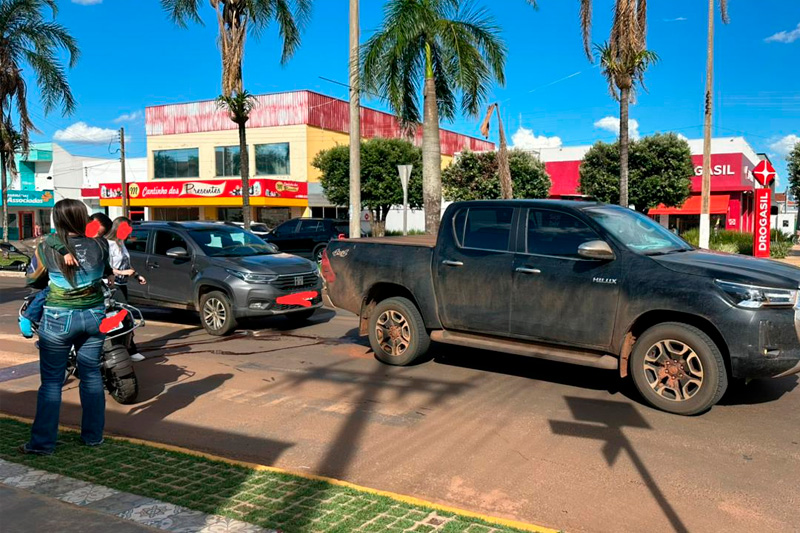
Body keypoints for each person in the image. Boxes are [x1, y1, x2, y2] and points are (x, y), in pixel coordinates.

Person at [20, 199, 114, 455]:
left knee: (51, 383)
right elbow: (107, 272)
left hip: (59, 319)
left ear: (58, 220)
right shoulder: (100, 243)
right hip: (95, 317)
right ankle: (93, 437)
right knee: (92, 376)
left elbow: (32, 278)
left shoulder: (46, 248)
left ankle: (42, 444)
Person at [106, 216, 147, 361]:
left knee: (123, 317)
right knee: (124, 316)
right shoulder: (108, 244)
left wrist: (136, 275)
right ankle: (129, 350)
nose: (129, 232)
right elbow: (108, 268)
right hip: (112, 286)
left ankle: (125, 348)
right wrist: (123, 273)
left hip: (123, 285)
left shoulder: (121, 243)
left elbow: (126, 264)